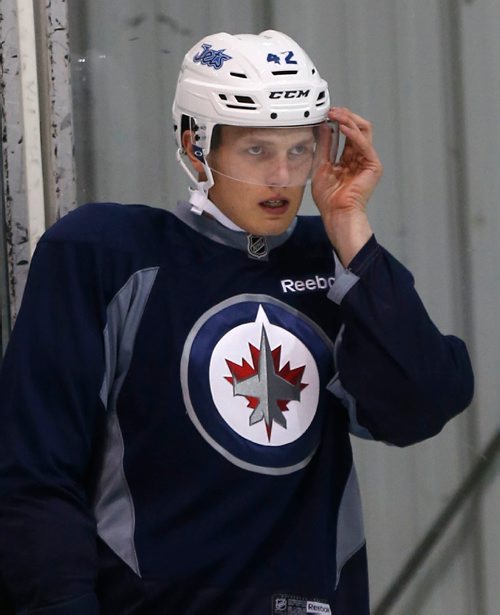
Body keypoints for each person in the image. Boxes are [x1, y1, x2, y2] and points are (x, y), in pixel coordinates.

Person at [0, 30, 473, 615]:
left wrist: (349, 224)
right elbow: (34, 472)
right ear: (195, 146)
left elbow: (419, 406)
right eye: (257, 151)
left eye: (300, 150)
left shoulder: (333, 261)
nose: (282, 177)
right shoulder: (107, 254)